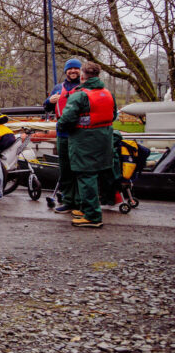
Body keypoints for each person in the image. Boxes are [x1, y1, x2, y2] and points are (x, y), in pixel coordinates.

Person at [57, 61, 116, 228]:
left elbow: (66, 120)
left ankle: (92, 216)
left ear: (82, 76)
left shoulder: (79, 95)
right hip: (104, 141)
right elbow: (113, 115)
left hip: (83, 141)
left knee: (85, 176)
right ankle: (87, 209)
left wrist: (61, 127)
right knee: (94, 176)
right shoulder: (107, 93)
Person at [43, 58, 83, 213]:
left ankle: (80, 201)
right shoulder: (59, 88)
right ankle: (68, 200)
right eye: (70, 69)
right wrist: (49, 100)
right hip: (63, 133)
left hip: (80, 133)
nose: (73, 71)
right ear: (66, 71)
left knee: (79, 167)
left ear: (80, 71)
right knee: (65, 168)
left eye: (76, 69)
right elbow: (46, 108)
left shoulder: (84, 87)